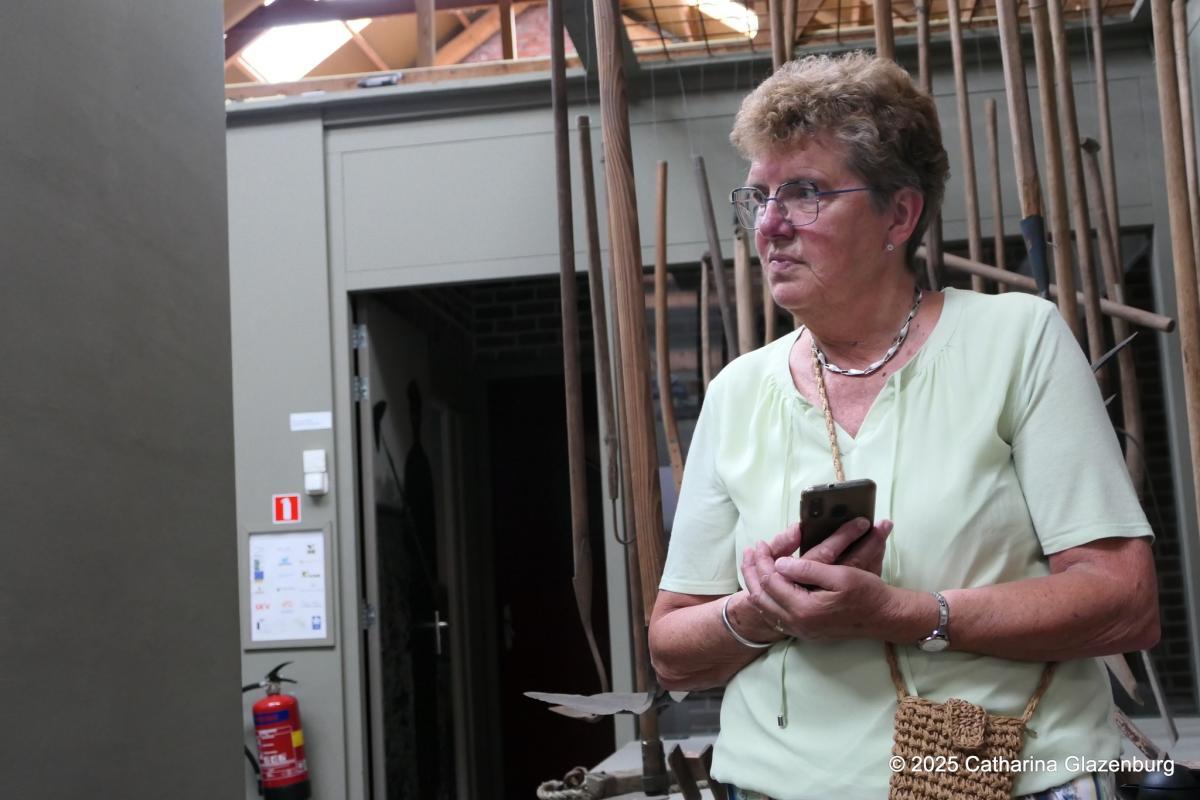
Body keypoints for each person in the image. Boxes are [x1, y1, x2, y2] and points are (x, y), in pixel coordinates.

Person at [648, 51, 1158, 800]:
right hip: (774, 786)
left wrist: (904, 614)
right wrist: (767, 609)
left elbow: (1123, 601)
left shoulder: (1016, 341)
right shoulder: (737, 393)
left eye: (804, 193)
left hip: (1006, 775)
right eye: (757, 197)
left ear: (899, 214)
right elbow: (671, 648)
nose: (769, 225)